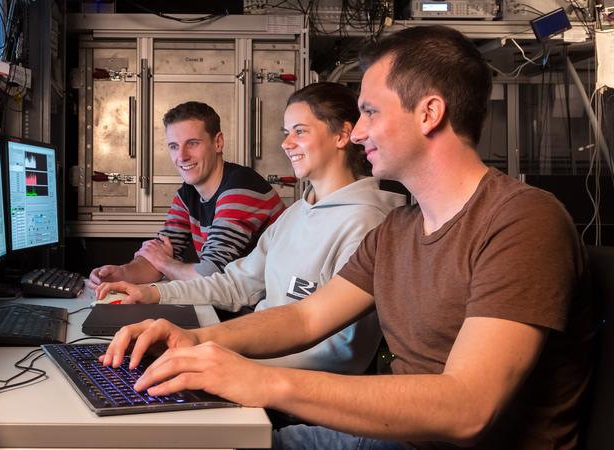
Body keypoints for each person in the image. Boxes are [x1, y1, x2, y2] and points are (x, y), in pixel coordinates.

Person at [97, 25, 595, 450]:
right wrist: (197, 339)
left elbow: (468, 407)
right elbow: (308, 315)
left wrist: (260, 381)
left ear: (429, 113)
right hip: (396, 438)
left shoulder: (522, 221)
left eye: (371, 113)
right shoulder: (399, 228)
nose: (357, 134)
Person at [96, 83, 406, 373]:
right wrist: (153, 293)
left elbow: (340, 351)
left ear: (342, 136)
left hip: (295, 391)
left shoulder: (367, 221)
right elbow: (236, 284)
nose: (285, 143)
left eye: (300, 131)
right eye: (286, 132)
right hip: (255, 365)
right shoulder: (296, 214)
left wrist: (227, 358)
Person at [87, 101, 285, 289]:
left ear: (218, 142)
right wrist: (121, 274)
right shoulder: (188, 193)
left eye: (192, 143)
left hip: (269, 308)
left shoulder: (241, 187)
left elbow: (210, 275)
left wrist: (163, 262)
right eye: (174, 146)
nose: (181, 156)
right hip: (236, 302)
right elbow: (158, 255)